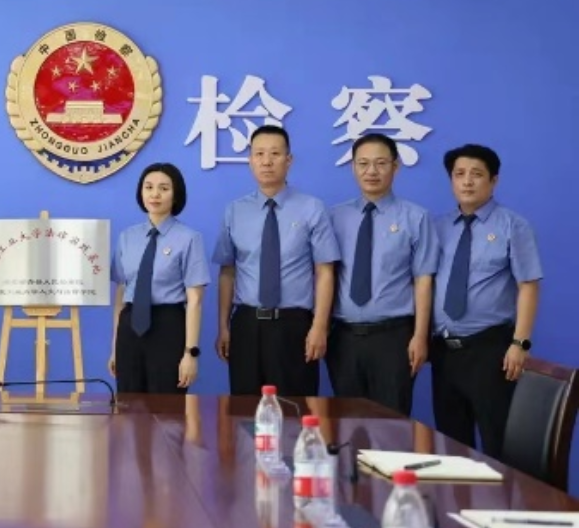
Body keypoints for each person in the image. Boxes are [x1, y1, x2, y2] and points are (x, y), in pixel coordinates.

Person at [431, 144, 542, 458]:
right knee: (452, 448)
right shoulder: (438, 228)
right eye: (459, 174)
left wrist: (520, 343)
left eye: (477, 174)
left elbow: (528, 286)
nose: (467, 181)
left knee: (498, 444)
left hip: (490, 351)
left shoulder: (512, 225)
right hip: (444, 352)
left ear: (494, 180)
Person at [212, 125, 340, 397]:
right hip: (247, 323)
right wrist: (223, 326)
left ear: (288, 160)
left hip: (293, 325)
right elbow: (227, 272)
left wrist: (319, 326)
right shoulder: (235, 210)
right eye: (259, 154)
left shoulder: (311, 208)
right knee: (245, 410)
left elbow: (325, 271)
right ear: (250, 160)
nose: (267, 161)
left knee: (294, 408)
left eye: (275, 154)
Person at [327, 133, 439, 417]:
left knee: (392, 424)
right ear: (353, 167)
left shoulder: (416, 217)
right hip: (344, 338)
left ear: (395, 167)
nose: (372, 171)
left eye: (380, 163)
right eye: (363, 163)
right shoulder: (335, 217)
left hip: (393, 337)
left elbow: (423, 280)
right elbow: (325, 275)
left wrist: (420, 336)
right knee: (347, 422)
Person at [109, 162, 209, 394]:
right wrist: (115, 347)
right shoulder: (127, 237)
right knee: (128, 406)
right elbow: (121, 292)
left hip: (168, 326)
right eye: (148, 187)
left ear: (176, 195)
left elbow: (195, 300)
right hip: (130, 327)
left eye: (164, 188)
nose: (155, 194)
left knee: (167, 407)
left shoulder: (189, 238)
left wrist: (190, 353)